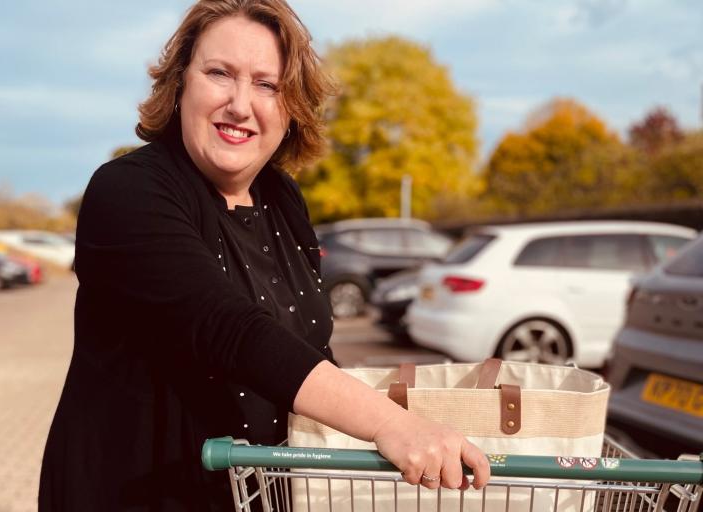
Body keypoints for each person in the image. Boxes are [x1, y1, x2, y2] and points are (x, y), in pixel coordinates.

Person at [38, 0, 490, 510]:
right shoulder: (128, 192)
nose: (239, 104)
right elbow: (226, 328)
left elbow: (307, 347)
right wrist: (390, 423)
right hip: (143, 493)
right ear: (181, 82)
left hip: (262, 495)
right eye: (218, 73)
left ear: (291, 105)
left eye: (266, 84)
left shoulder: (282, 197)